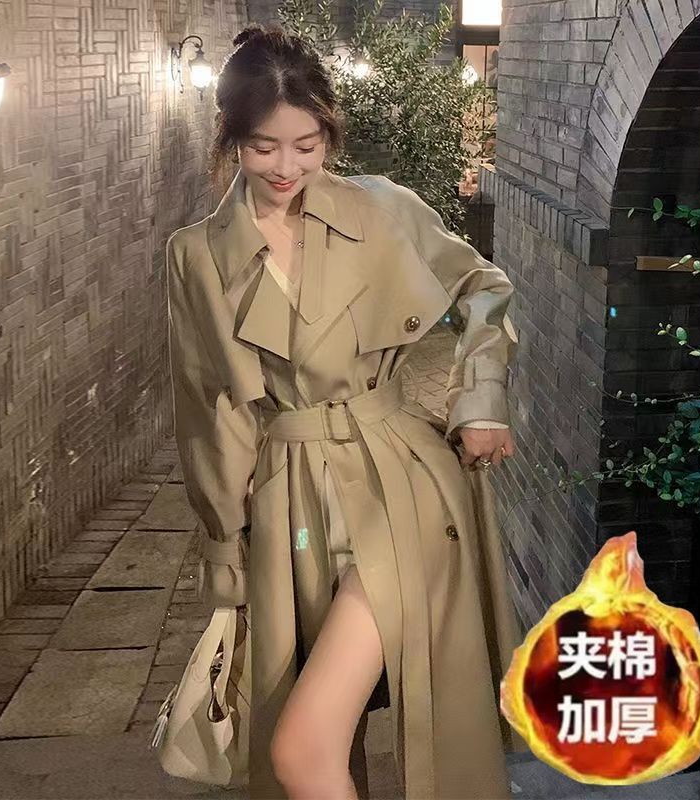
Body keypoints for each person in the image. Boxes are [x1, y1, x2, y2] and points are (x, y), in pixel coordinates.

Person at [166, 22, 527, 800]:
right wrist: (224, 544)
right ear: (231, 139)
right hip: (289, 502)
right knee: (307, 733)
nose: (286, 167)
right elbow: (210, 410)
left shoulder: (381, 208)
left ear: (329, 133)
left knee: (302, 750)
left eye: (307, 144)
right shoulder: (196, 255)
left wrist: (481, 398)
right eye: (263, 147)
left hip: (400, 484)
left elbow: (482, 286)